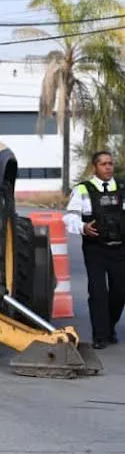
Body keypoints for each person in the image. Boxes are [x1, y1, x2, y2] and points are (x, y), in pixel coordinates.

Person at [64, 150, 125, 350]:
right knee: (98, 291)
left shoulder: (122, 187)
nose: (108, 167)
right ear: (95, 167)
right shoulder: (83, 189)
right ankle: (101, 335)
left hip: (120, 248)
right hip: (95, 248)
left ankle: (109, 326)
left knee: (120, 292)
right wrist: (83, 228)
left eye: (110, 163)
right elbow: (70, 216)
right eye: (103, 164)